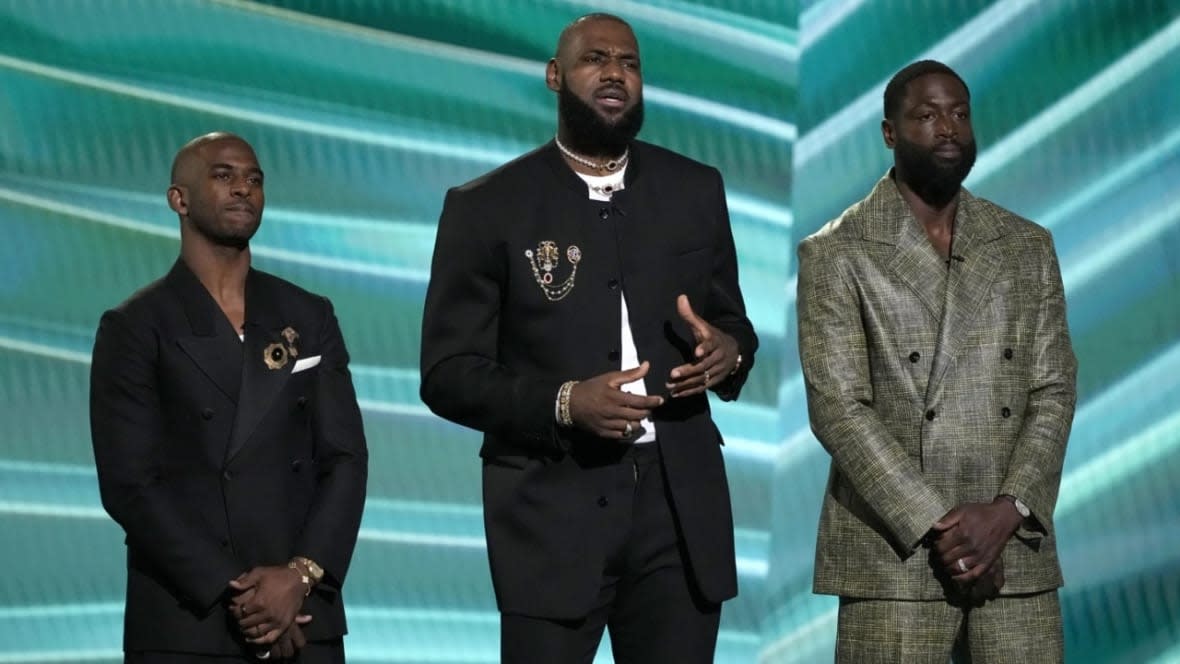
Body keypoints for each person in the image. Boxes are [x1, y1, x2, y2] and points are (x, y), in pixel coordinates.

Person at [419, 13, 758, 663]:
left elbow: (732, 322)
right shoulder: (487, 206)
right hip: (552, 510)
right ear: (555, 77)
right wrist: (566, 403)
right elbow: (448, 372)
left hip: (678, 510)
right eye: (594, 59)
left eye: (629, 63)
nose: (614, 73)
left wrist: (729, 351)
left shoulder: (695, 190)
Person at [796, 59, 1078, 662]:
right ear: (890, 133)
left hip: (1015, 550)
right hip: (894, 554)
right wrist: (948, 529)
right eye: (926, 115)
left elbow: (1053, 390)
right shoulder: (837, 252)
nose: (948, 127)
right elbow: (839, 409)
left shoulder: (1027, 245)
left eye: (959, 113)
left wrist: (1007, 513)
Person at [89, 132, 368, 662]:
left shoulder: (308, 314)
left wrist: (299, 576)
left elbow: (346, 458)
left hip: (305, 615)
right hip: (190, 618)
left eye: (254, 179)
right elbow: (131, 485)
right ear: (179, 199)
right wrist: (245, 597)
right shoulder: (135, 327)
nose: (243, 188)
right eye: (223, 176)